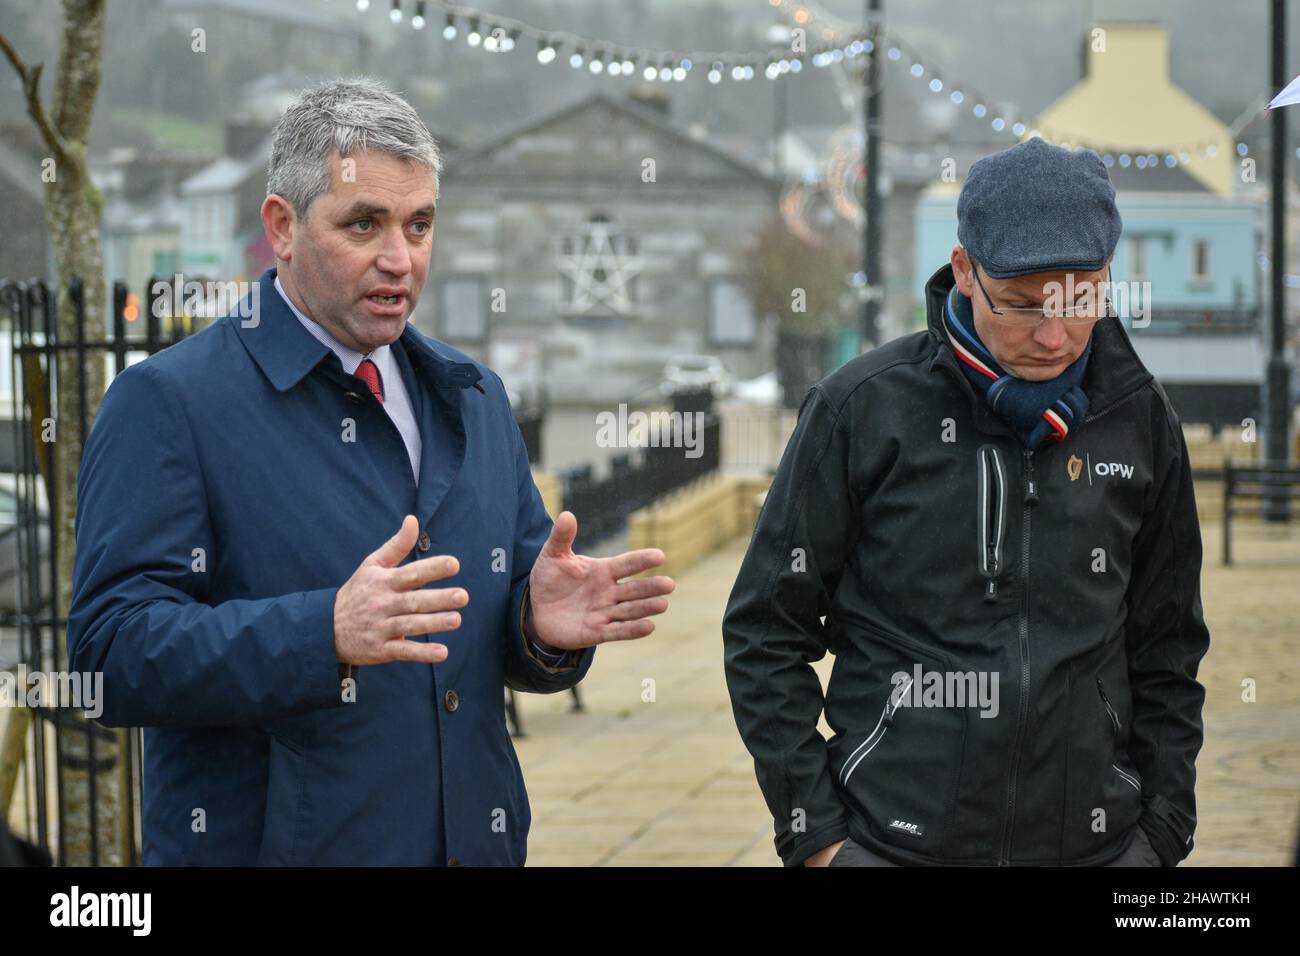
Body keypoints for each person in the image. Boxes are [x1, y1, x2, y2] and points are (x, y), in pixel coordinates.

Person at [67, 78, 675, 866]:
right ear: (282, 228)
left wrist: (536, 627)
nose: (399, 258)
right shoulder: (167, 403)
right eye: (364, 224)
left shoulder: (474, 397)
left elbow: (480, 644)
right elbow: (108, 656)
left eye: (419, 225)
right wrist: (323, 633)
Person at [722, 137, 1209, 867]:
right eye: (1020, 305)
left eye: (1081, 299)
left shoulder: (1142, 417)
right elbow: (765, 631)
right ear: (964, 273)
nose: (1053, 334)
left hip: (1098, 849)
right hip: (891, 845)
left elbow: (1168, 645)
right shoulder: (861, 409)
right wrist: (817, 839)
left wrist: (1162, 834)